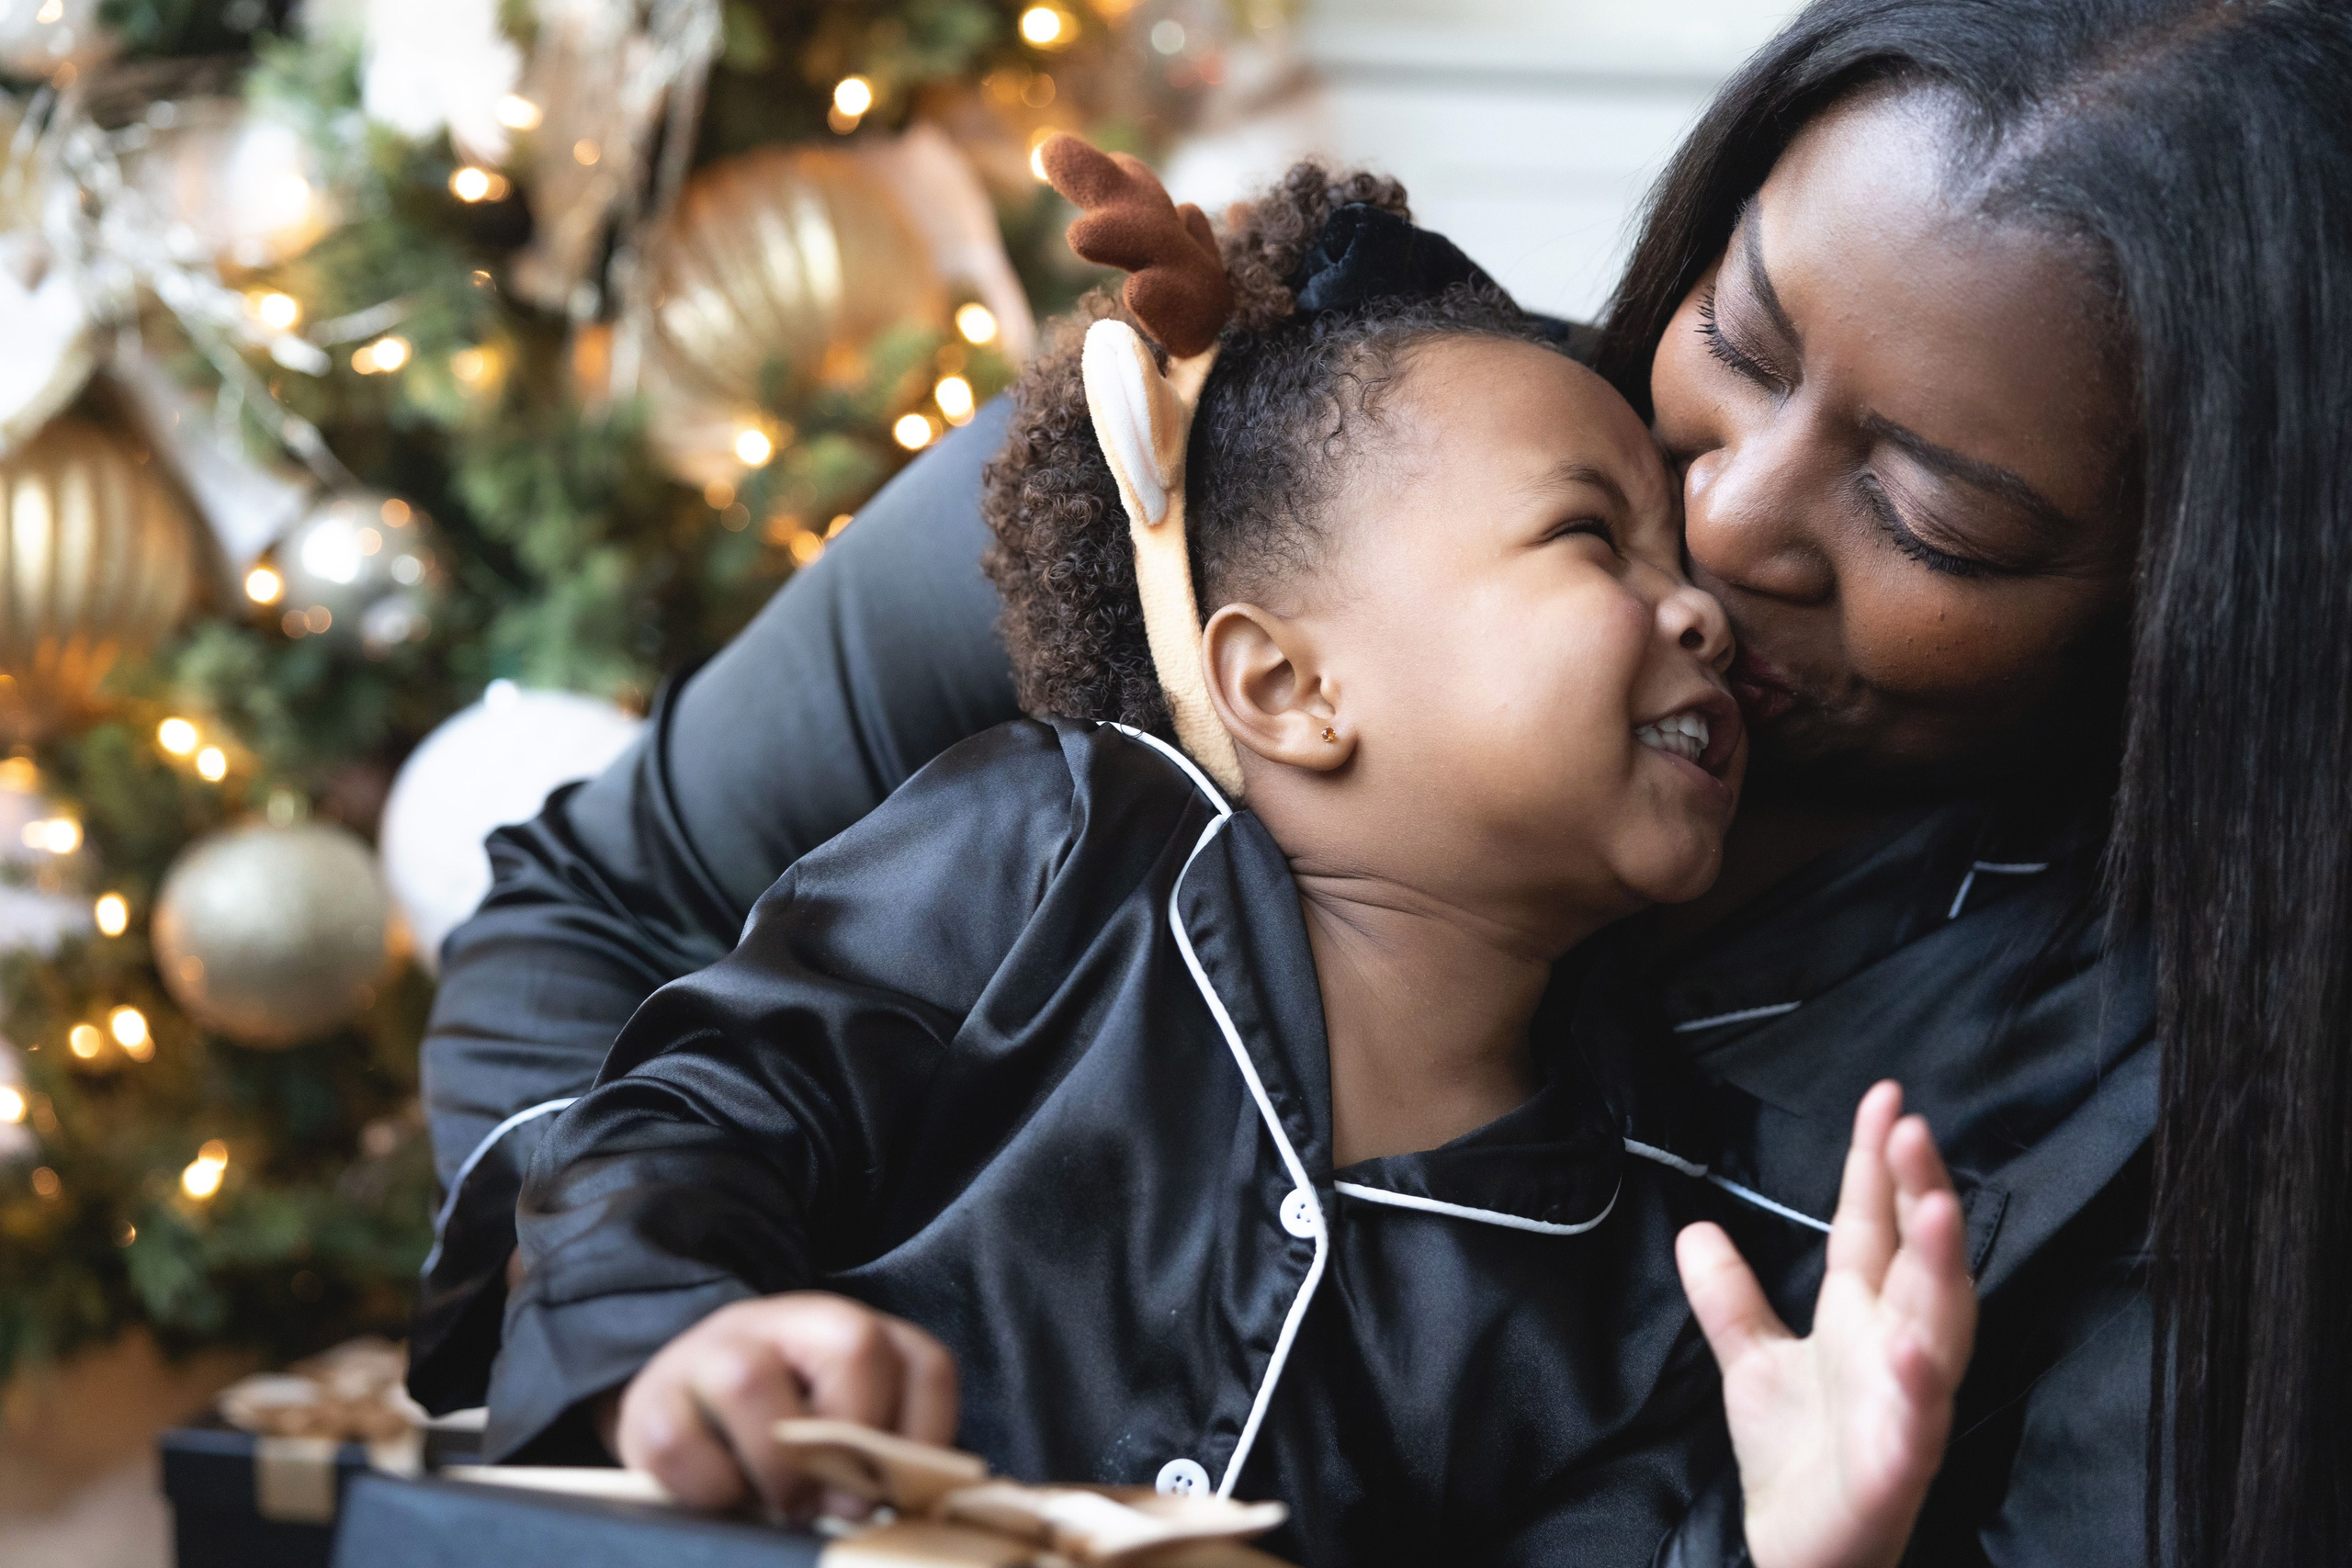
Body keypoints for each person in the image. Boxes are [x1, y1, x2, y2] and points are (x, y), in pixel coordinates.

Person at [415, 3, 2352, 1563]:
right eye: (1740, 341)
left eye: (1933, 512)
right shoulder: (1233, 491)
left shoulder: (2040, 1098)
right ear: (1276, 679)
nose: (1730, 516)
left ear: (2200, 599)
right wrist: (662, 1364)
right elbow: (606, 925)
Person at [482, 149, 1977, 1568]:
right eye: (1598, 539)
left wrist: (1783, 1543)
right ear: (1286, 687)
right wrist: (672, 1337)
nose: (1706, 609)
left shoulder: (1642, 1251)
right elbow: (690, 1118)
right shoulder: (1043, 861)